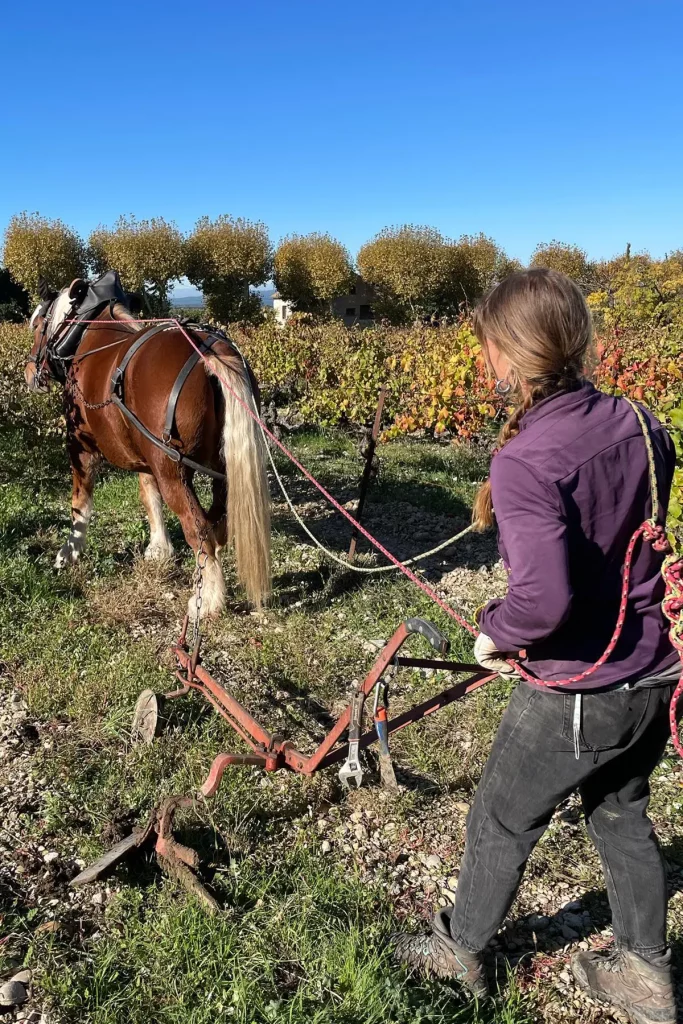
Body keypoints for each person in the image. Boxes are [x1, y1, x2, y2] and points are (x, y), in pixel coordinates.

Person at [394, 269, 680, 1024]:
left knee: (499, 817)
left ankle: (459, 954)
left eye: (487, 348)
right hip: (653, 669)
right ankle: (644, 976)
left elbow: (543, 600)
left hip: (578, 687)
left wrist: (496, 629)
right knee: (620, 815)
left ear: (506, 353)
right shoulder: (644, 421)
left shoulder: (523, 460)